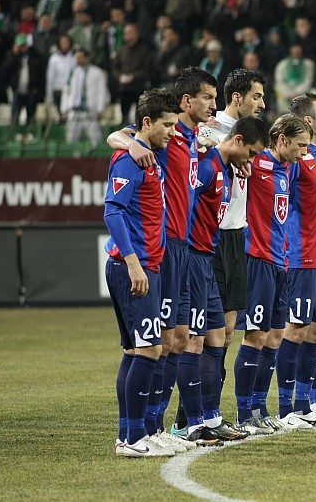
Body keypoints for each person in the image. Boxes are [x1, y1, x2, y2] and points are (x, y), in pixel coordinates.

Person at [107, 67, 219, 446]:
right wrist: (130, 144)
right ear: (187, 100)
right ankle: (143, 429)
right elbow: (119, 135)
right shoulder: (159, 139)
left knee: (176, 339)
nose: (213, 105)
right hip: (162, 247)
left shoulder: (192, 139)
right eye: (208, 98)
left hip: (181, 246)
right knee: (157, 343)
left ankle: (151, 428)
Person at [195, 69, 270, 435]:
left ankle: (211, 413)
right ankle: (194, 416)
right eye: (257, 96)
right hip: (212, 238)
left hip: (238, 235)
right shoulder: (209, 131)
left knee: (225, 333)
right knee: (205, 334)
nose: (262, 103)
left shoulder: (254, 136)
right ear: (237, 97)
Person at [106, 88, 180, 457]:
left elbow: (120, 133)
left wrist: (132, 140)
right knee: (150, 349)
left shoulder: (151, 153)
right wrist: (134, 263)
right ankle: (133, 438)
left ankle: (130, 433)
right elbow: (113, 212)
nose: (172, 132)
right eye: (167, 125)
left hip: (147, 263)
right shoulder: (129, 161)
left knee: (137, 350)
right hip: (133, 266)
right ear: (147, 123)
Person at [273, 94, 316, 429]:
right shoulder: (295, 160)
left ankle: (304, 406)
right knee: (296, 329)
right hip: (301, 255)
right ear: (308, 121)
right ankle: (285, 408)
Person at [234, 114, 309, 432]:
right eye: (300, 145)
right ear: (281, 139)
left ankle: (260, 407)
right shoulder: (255, 162)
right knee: (255, 335)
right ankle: (243, 413)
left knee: (275, 336)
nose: (304, 152)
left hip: (281, 261)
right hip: (258, 259)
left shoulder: (289, 168)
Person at [61, 48, 109, 150]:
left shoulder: (97, 72)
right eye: (77, 57)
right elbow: (66, 91)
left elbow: (102, 91)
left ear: (87, 57)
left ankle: (96, 158)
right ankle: (74, 157)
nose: (78, 59)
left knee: (96, 139)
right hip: (74, 111)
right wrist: (64, 109)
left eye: (80, 57)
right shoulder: (72, 73)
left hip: (90, 111)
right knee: (71, 139)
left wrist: (100, 109)